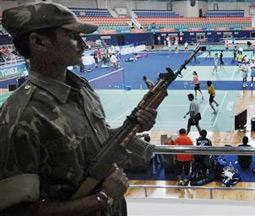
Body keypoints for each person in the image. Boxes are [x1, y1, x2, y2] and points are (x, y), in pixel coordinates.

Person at [0, 3, 157, 215]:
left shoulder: (82, 88)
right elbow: (18, 211)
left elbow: (97, 140)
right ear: (39, 42)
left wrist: (133, 126)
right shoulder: (19, 116)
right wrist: (102, 198)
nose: (83, 44)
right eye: (73, 36)